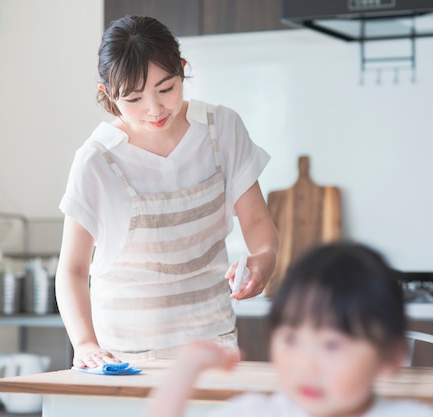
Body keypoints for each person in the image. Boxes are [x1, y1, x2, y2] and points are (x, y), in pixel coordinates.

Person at [55, 15, 278, 369]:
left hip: (212, 346)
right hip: (123, 357)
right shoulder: (96, 161)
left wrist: (263, 259)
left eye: (166, 88)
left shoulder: (221, 129)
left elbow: (255, 220)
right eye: (133, 98)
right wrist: (84, 343)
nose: (155, 109)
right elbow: (72, 269)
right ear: (107, 95)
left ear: (183, 70)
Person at [142, 242, 433, 417]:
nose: (305, 364)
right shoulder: (257, 412)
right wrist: (186, 370)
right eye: (291, 339)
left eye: (331, 344)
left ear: (391, 355)